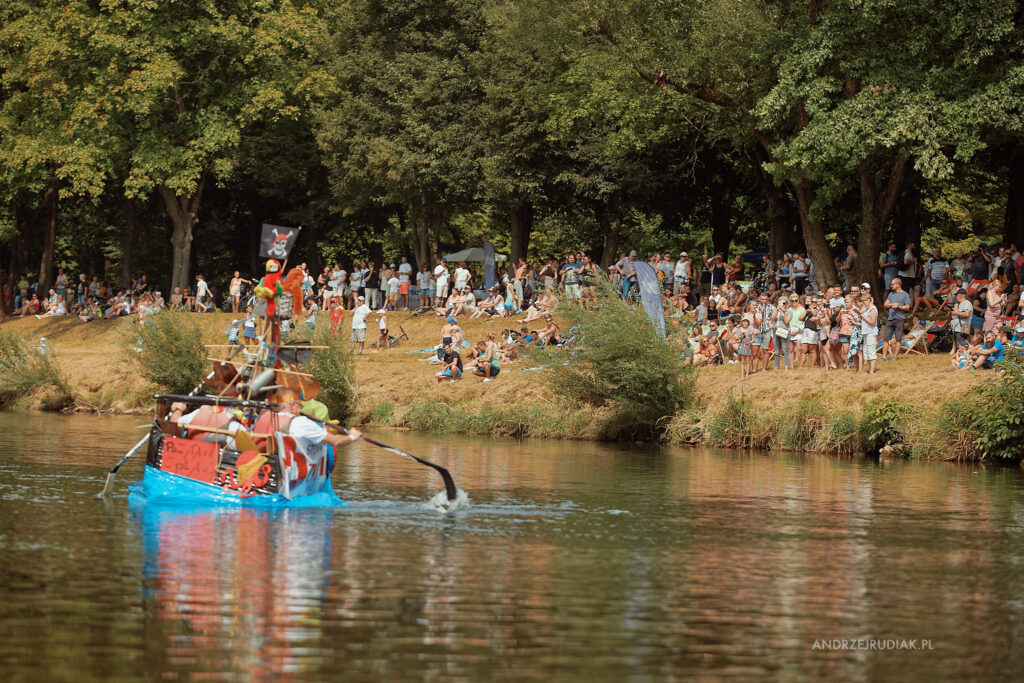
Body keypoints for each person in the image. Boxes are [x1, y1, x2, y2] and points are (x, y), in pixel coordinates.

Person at [882, 277, 912, 359]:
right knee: (886, 338)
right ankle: (884, 356)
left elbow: (907, 307)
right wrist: (892, 305)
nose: (891, 286)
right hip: (890, 319)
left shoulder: (905, 295)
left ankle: (895, 356)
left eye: (892, 284)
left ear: (898, 284)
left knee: (898, 338)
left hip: (900, 319)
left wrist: (898, 306)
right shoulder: (891, 294)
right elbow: (885, 305)